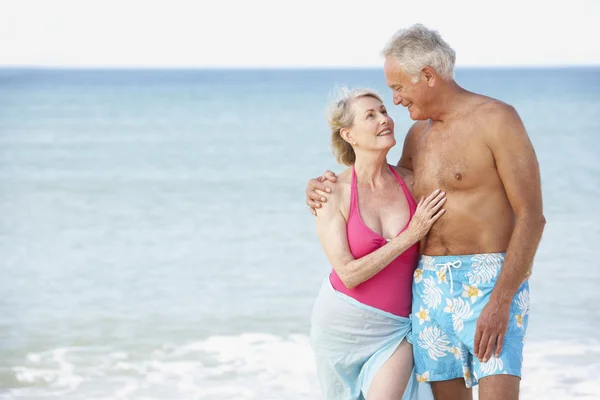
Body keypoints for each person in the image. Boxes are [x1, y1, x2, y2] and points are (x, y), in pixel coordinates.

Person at [306, 24, 545, 400]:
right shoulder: (419, 136)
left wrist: (501, 301)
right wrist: (320, 186)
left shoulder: (498, 119)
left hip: (489, 282)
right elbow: (386, 185)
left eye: (398, 88)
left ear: (428, 76)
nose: (395, 102)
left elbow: (532, 216)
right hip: (429, 290)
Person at [310, 87, 443, 400]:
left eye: (384, 111)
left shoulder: (413, 183)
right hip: (340, 327)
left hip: (396, 329)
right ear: (349, 135)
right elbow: (348, 273)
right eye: (371, 115)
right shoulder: (333, 193)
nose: (385, 119)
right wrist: (411, 235)